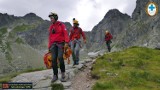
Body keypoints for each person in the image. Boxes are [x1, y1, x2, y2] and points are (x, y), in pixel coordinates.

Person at [48, 12, 69, 82]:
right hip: (53, 45)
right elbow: (50, 37)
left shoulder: (61, 25)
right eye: (50, 18)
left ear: (55, 18)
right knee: (53, 59)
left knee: (60, 57)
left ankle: (63, 73)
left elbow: (65, 33)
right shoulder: (51, 27)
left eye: (52, 18)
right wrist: (49, 46)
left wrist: (66, 42)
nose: (51, 19)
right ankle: (55, 75)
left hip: (60, 44)